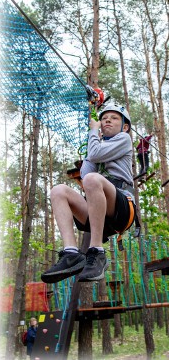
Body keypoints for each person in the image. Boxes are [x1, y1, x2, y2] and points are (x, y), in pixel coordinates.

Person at [41, 104, 135, 283]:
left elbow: (93, 164)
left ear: (125, 127)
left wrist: (93, 133)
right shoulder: (99, 145)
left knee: (92, 179)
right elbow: (85, 173)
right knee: (58, 191)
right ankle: (71, 253)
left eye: (114, 118)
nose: (107, 119)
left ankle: (97, 251)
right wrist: (95, 140)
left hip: (122, 209)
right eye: (104, 117)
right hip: (97, 212)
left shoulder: (124, 139)